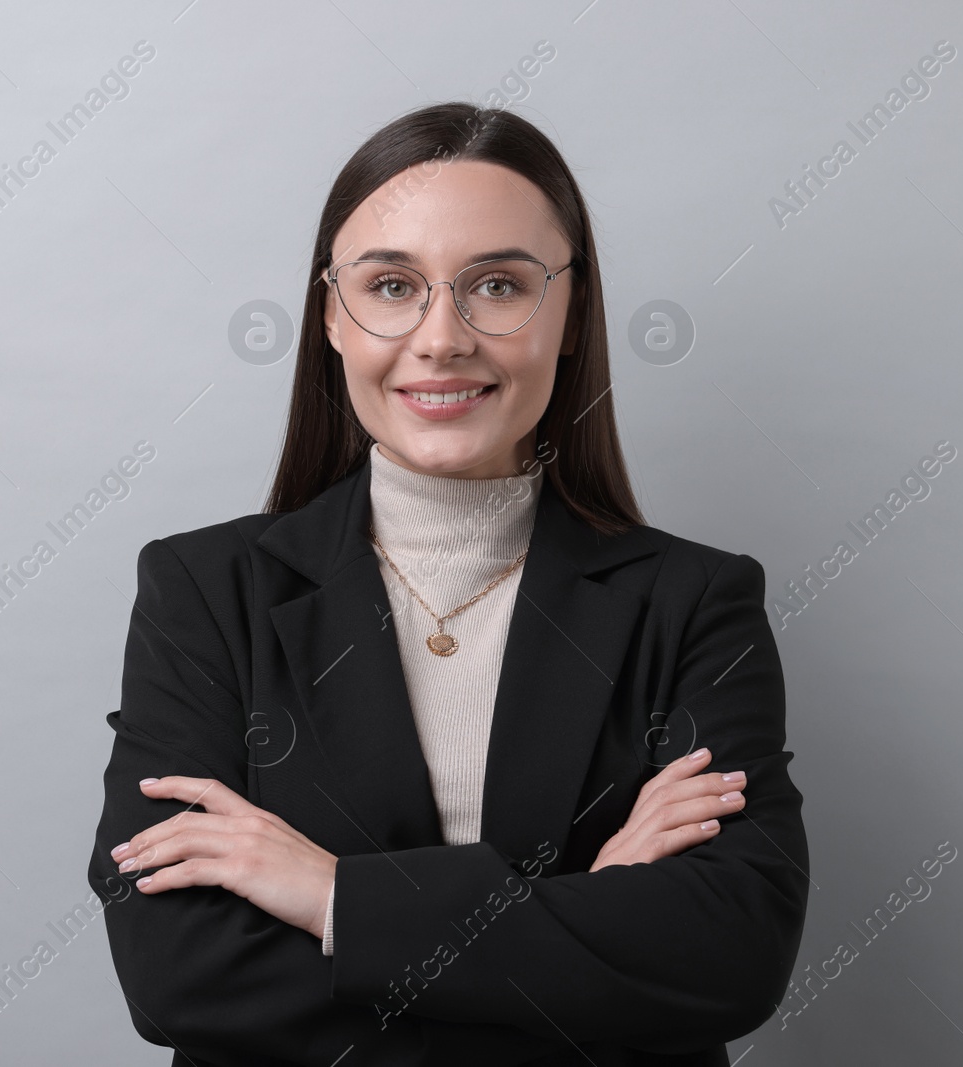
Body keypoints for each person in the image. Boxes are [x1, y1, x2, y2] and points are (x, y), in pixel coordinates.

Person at [87, 101, 809, 1066]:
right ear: (332, 318)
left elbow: (731, 957)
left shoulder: (694, 604)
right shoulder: (205, 594)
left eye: (499, 286)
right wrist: (579, 922)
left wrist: (332, 898)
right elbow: (181, 975)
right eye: (391, 285)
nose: (441, 338)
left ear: (571, 315)